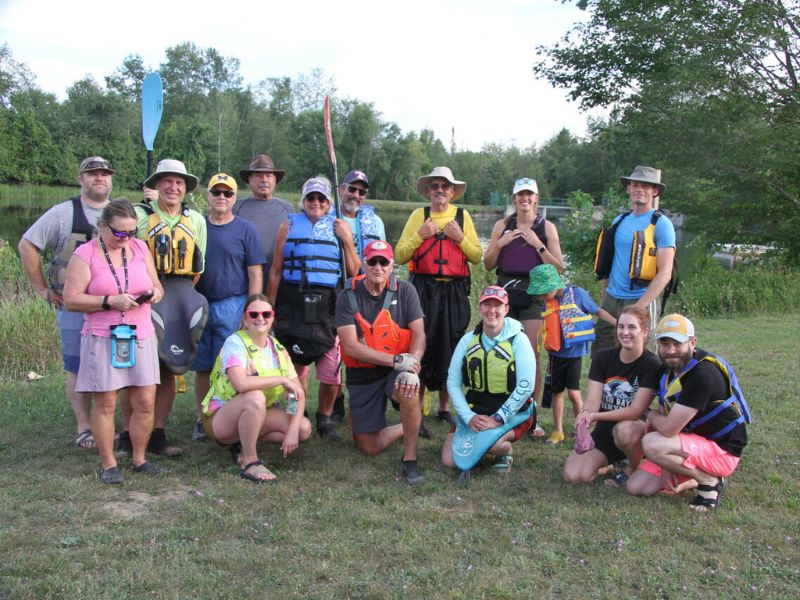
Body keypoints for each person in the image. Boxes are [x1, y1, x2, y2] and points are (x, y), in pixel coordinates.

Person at [62, 199, 164, 483]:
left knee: (145, 401)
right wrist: (109, 301)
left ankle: (139, 458)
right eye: (119, 233)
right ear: (103, 226)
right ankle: (109, 465)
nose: (126, 239)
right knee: (106, 402)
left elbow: (156, 285)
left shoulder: (140, 248)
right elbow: (71, 300)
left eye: (131, 233)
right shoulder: (85, 254)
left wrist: (156, 293)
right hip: (103, 336)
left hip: (141, 334)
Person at [18, 156, 114, 449]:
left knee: (113, 366)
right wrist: (43, 290)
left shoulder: (120, 212)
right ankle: (83, 426)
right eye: (92, 174)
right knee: (77, 365)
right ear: (81, 179)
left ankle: (107, 423)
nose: (99, 178)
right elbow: (27, 246)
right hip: (73, 306)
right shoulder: (63, 213)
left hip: (110, 306)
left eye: (104, 174)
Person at [118, 159, 208, 458]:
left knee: (169, 367)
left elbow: (199, 267)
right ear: (156, 185)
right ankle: (128, 434)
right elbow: (123, 255)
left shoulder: (196, 219)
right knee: (136, 368)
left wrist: (180, 298)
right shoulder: (140, 215)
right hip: (143, 296)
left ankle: (157, 432)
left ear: (185, 188)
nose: (173, 187)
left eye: (179, 182)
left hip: (180, 291)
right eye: (167, 181)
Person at [625, 314, 750, 511]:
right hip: (685, 445)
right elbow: (664, 410)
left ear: (693, 343)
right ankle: (697, 476)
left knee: (652, 443)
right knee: (636, 487)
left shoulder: (703, 375)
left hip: (722, 451)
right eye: (664, 344)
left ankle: (709, 480)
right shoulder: (667, 369)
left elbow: (666, 428)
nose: (670, 350)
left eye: (677, 343)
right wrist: (666, 465)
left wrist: (649, 415)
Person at [268, 176, 360, 439]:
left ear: (329, 202)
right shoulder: (287, 226)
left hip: (327, 303)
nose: (316, 203)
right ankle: (297, 413)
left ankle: (325, 417)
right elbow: (275, 271)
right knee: (295, 366)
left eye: (321, 198)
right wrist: (271, 309)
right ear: (304, 201)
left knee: (331, 371)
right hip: (293, 300)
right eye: (311, 198)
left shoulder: (339, 227)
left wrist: (347, 240)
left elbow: (354, 271)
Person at [395, 166, 482, 430]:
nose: (440, 190)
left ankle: (444, 408)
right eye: (435, 186)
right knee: (422, 344)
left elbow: (477, 256)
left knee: (452, 346)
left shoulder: (463, 217)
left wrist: (461, 238)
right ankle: (418, 409)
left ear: (452, 192)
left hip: (454, 290)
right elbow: (399, 255)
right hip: (423, 288)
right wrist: (420, 237)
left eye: (445, 186)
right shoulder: (418, 216)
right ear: (429, 191)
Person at [335, 240, 427, 484]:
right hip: (364, 374)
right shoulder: (347, 296)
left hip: (396, 371)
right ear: (363, 264)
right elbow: (351, 346)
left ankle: (410, 458)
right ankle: (411, 423)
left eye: (383, 262)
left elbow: (419, 333)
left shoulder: (406, 291)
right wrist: (395, 360)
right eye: (372, 261)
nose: (378, 266)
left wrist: (414, 359)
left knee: (409, 386)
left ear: (391, 266)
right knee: (367, 446)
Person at [484, 177, 564, 438]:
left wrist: (536, 244)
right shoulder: (502, 225)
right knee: (498, 350)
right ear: (514, 198)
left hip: (533, 292)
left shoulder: (546, 227)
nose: (525, 199)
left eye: (529, 194)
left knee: (530, 353)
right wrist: (500, 243)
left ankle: (531, 415)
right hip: (504, 291)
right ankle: (499, 408)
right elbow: (487, 264)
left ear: (536, 198)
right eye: (520, 194)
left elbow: (558, 267)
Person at [202, 294, 312, 483]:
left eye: (266, 314)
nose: (260, 319)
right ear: (245, 319)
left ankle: (242, 442)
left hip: (255, 413)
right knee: (255, 397)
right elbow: (241, 384)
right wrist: (281, 379)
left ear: (272, 318)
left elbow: (297, 394)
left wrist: (292, 429)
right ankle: (249, 461)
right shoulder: (235, 343)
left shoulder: (278, 349)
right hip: (220, 419)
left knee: (303, 428)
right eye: (254, 314)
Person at [191, 174, 265, 442]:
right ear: (208, 194)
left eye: (228, 193)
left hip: (232, 304)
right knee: (202, 367)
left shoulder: (246, 229)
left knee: (231, 366)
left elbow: (255, 273)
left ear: (235, 197)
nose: (222, 197)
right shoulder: (196, 224)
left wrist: (251, 310)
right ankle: (202, 419)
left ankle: (230, 419)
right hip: (199, 303)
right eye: (216, 192)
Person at [442, 286, 536, 476]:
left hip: (511, 409)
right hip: (476, 406)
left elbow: (526, 386)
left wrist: (498, 418)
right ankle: (481, 444)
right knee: (449, 461)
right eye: (487, 304)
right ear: (480, 307)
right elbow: (453, 381)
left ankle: (504, 451)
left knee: (493, 444)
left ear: (506, 309)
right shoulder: (468, 340)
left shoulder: (519, 340)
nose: (492, 310)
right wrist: (469, 417)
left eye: (497, 305)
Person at [563, 305, 661, 486]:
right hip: (606, 430)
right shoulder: (603, 357)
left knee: (623, 431)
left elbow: (635, 411)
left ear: (645, 331)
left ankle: (634, 467)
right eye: (621, 326)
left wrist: (594, 415)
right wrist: (586, 413)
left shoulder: (652, 364)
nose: (625, 332)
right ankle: (613, 460)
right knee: (574, 476)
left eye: (632, 327)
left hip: (634, 430)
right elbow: (592, 400)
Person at [526, 264, 616, 445]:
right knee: (556, 393)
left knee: (574, 394)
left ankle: (582, 428)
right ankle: (558, 430)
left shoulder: (578, 294)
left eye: (543, 292)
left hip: (574, 355)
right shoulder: (549, 301)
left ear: (553, 285)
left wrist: (617, 322)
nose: (542, 297)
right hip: (556, 355)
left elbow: (597, 310)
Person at [593, 166, 676, 355]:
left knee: (639, 355)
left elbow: (665, 273)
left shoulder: (661, 224)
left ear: (655, 192)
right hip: (612, 300)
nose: (640, 189)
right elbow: (609, 264)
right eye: (635, 184)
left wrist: (640, 306)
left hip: (641, 298)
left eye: (646, 186)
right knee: (602, 353)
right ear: (629, 189)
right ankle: (604, 385)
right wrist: (604, 299)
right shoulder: (618, 221)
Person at [233, 154, 293, 295]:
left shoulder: (287, 208)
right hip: (244, 283)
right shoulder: (236, 207)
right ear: (249, 179)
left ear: (275, 179)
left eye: (268, 176)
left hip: (279, 284)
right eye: (258, 176)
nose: (264, 180)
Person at [338, 169, 386, 258]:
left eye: (362, 192)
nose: (356, 195)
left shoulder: (377, 222)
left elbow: (383, 257)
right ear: (341, 190)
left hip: (365, 271)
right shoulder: (327, 220)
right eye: (352, 189)